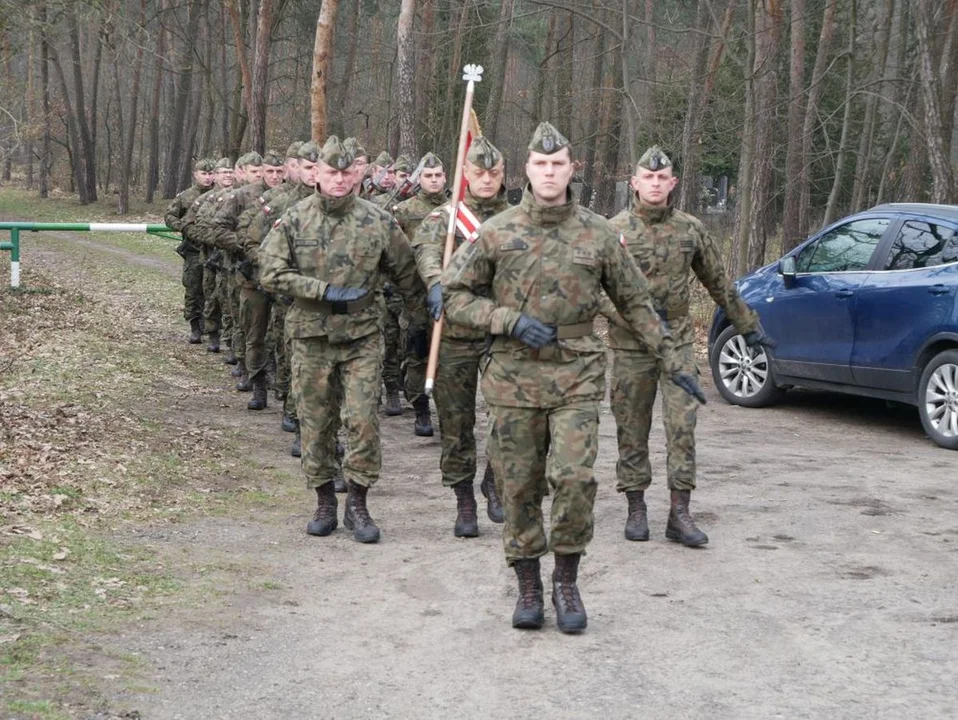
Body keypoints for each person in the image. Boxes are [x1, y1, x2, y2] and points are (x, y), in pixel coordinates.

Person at [442, 122, 705, 633]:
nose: (548, 172)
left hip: (577, 373)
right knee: (518, 486)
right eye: (540, 165)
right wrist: (507, 320)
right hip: (513, 378)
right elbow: (452, 296)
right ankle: (528, 586)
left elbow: (634, 300)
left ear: (571, 169)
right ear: (526, 170)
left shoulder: (598, 232)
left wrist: (673, 358)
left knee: (575, 479)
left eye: (558, 164)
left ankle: (565, 580)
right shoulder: (496, 233)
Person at [259, 136, 428, 544]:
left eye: (345, 172)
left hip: (363, 335)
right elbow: (269, 272)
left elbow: (407, 275)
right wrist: (321, 290)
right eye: (331, 172)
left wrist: (422, 322)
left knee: (363, 421)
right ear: (316, 174)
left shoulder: (378, 220)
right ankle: (323, 501)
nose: (339, 180)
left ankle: (358, 502)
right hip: (310, 335)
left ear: (357, 173)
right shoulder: (296, 219)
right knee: (316, 424)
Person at [603, 146, 774, 547]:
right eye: (649, 177)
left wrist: (747, 324)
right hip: (632, 343)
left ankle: (680, 512)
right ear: (635, 182)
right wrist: (627, 316)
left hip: (678, 340)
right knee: (632, 426)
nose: (656, 183)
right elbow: (593, 291)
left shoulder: (690, 229)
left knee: (683, 425)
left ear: (674, 183)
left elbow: (718, 281)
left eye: (663, 178)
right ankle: (636, 508)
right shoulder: (612, 231)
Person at [411, 139, 510, 537]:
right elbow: (427, 253)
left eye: (494, 173)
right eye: (479, 173)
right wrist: (435, 284)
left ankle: (496, 480)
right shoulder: (444, 218)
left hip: (503, 334)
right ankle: (464, 499)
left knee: (509, 418)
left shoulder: (518, 218)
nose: (486, 180)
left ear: (504, 175)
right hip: (453, 333)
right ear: (465, 174)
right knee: (456, 422)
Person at [209, 150, 286, 408]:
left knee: (282, 334)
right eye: (270, 171)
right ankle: (258, 383)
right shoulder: (242, 196)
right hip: (251, 277)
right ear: (261, 171)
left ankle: (280, 382)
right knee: (255, 333)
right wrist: (245, 247)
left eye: (279, 171)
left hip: (283, 279)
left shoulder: (288, 198)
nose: (275, 176)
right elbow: (219, 229)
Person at [391, 152, 448, 436]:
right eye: (428, 176)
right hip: (414, 295)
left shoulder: (456, 211)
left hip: (449, 295)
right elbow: (393, 252)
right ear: (419, 179)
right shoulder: (403, 211)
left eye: (438, 175)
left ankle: (448, 411)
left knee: (449, 357)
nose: (434, 180)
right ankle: (421, 409)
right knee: (416, 353)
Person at [180, 157, 235, 354]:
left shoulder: (240, 196)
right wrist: (209, 239)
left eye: (231, 172)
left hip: (233, 258)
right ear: (216, 176)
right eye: (223, 173)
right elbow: (188, 224)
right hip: (211, 257)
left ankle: (232, 342)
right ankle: (212, 333)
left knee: (230, 301)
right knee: (210, 296)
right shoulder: (204, 200)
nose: (227, 176)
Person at [164, 158, 215, 344]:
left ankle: (212, 327)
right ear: (196, 175)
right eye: (204, 174)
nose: (208, 178)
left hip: (215, 251)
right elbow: (169, 215)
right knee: (194, 288)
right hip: (194, 251)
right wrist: (183, 227)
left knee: (214, 290)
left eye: (210, 174)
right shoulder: (186, 196)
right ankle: (195, 326)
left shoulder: (222, 195)